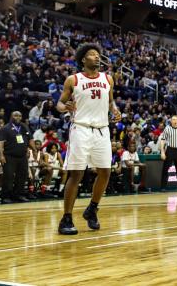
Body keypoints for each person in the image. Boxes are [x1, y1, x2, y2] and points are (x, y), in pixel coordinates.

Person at [56, 43, 121, 235]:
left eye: (98, 55)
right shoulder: (73, 80)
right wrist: (64, 107)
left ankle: (92, 209)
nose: (97, 57)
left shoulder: (108, 79)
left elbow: (110, 101)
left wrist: (115, 110)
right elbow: (60, 103)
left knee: (105, 172)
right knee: (76, 174)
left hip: (102, 130)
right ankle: (66, 218)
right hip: (81, 129)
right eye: (93, 55)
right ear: (83, 59)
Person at [0, 111, 31, 203]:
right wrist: (1, 155)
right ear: (11, 117)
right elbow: (0, 142)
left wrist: (28, 149)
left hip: (22, 156)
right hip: (9, 156)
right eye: (16, 115)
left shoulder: (24, 127)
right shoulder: (5, 128)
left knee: (22, 176)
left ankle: (18, 194)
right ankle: (6, 196)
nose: (18, 117)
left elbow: (28, 139)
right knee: (9, 176)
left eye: (20, 115)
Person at [159, 115, 177, 192]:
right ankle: (163, 187)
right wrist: (162, 152)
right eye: (173, 119)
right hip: (170, 150)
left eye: (176, 119)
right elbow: (162, 140)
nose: (175, 121)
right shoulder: (167, 129)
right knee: (165, 169)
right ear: (171, 121)